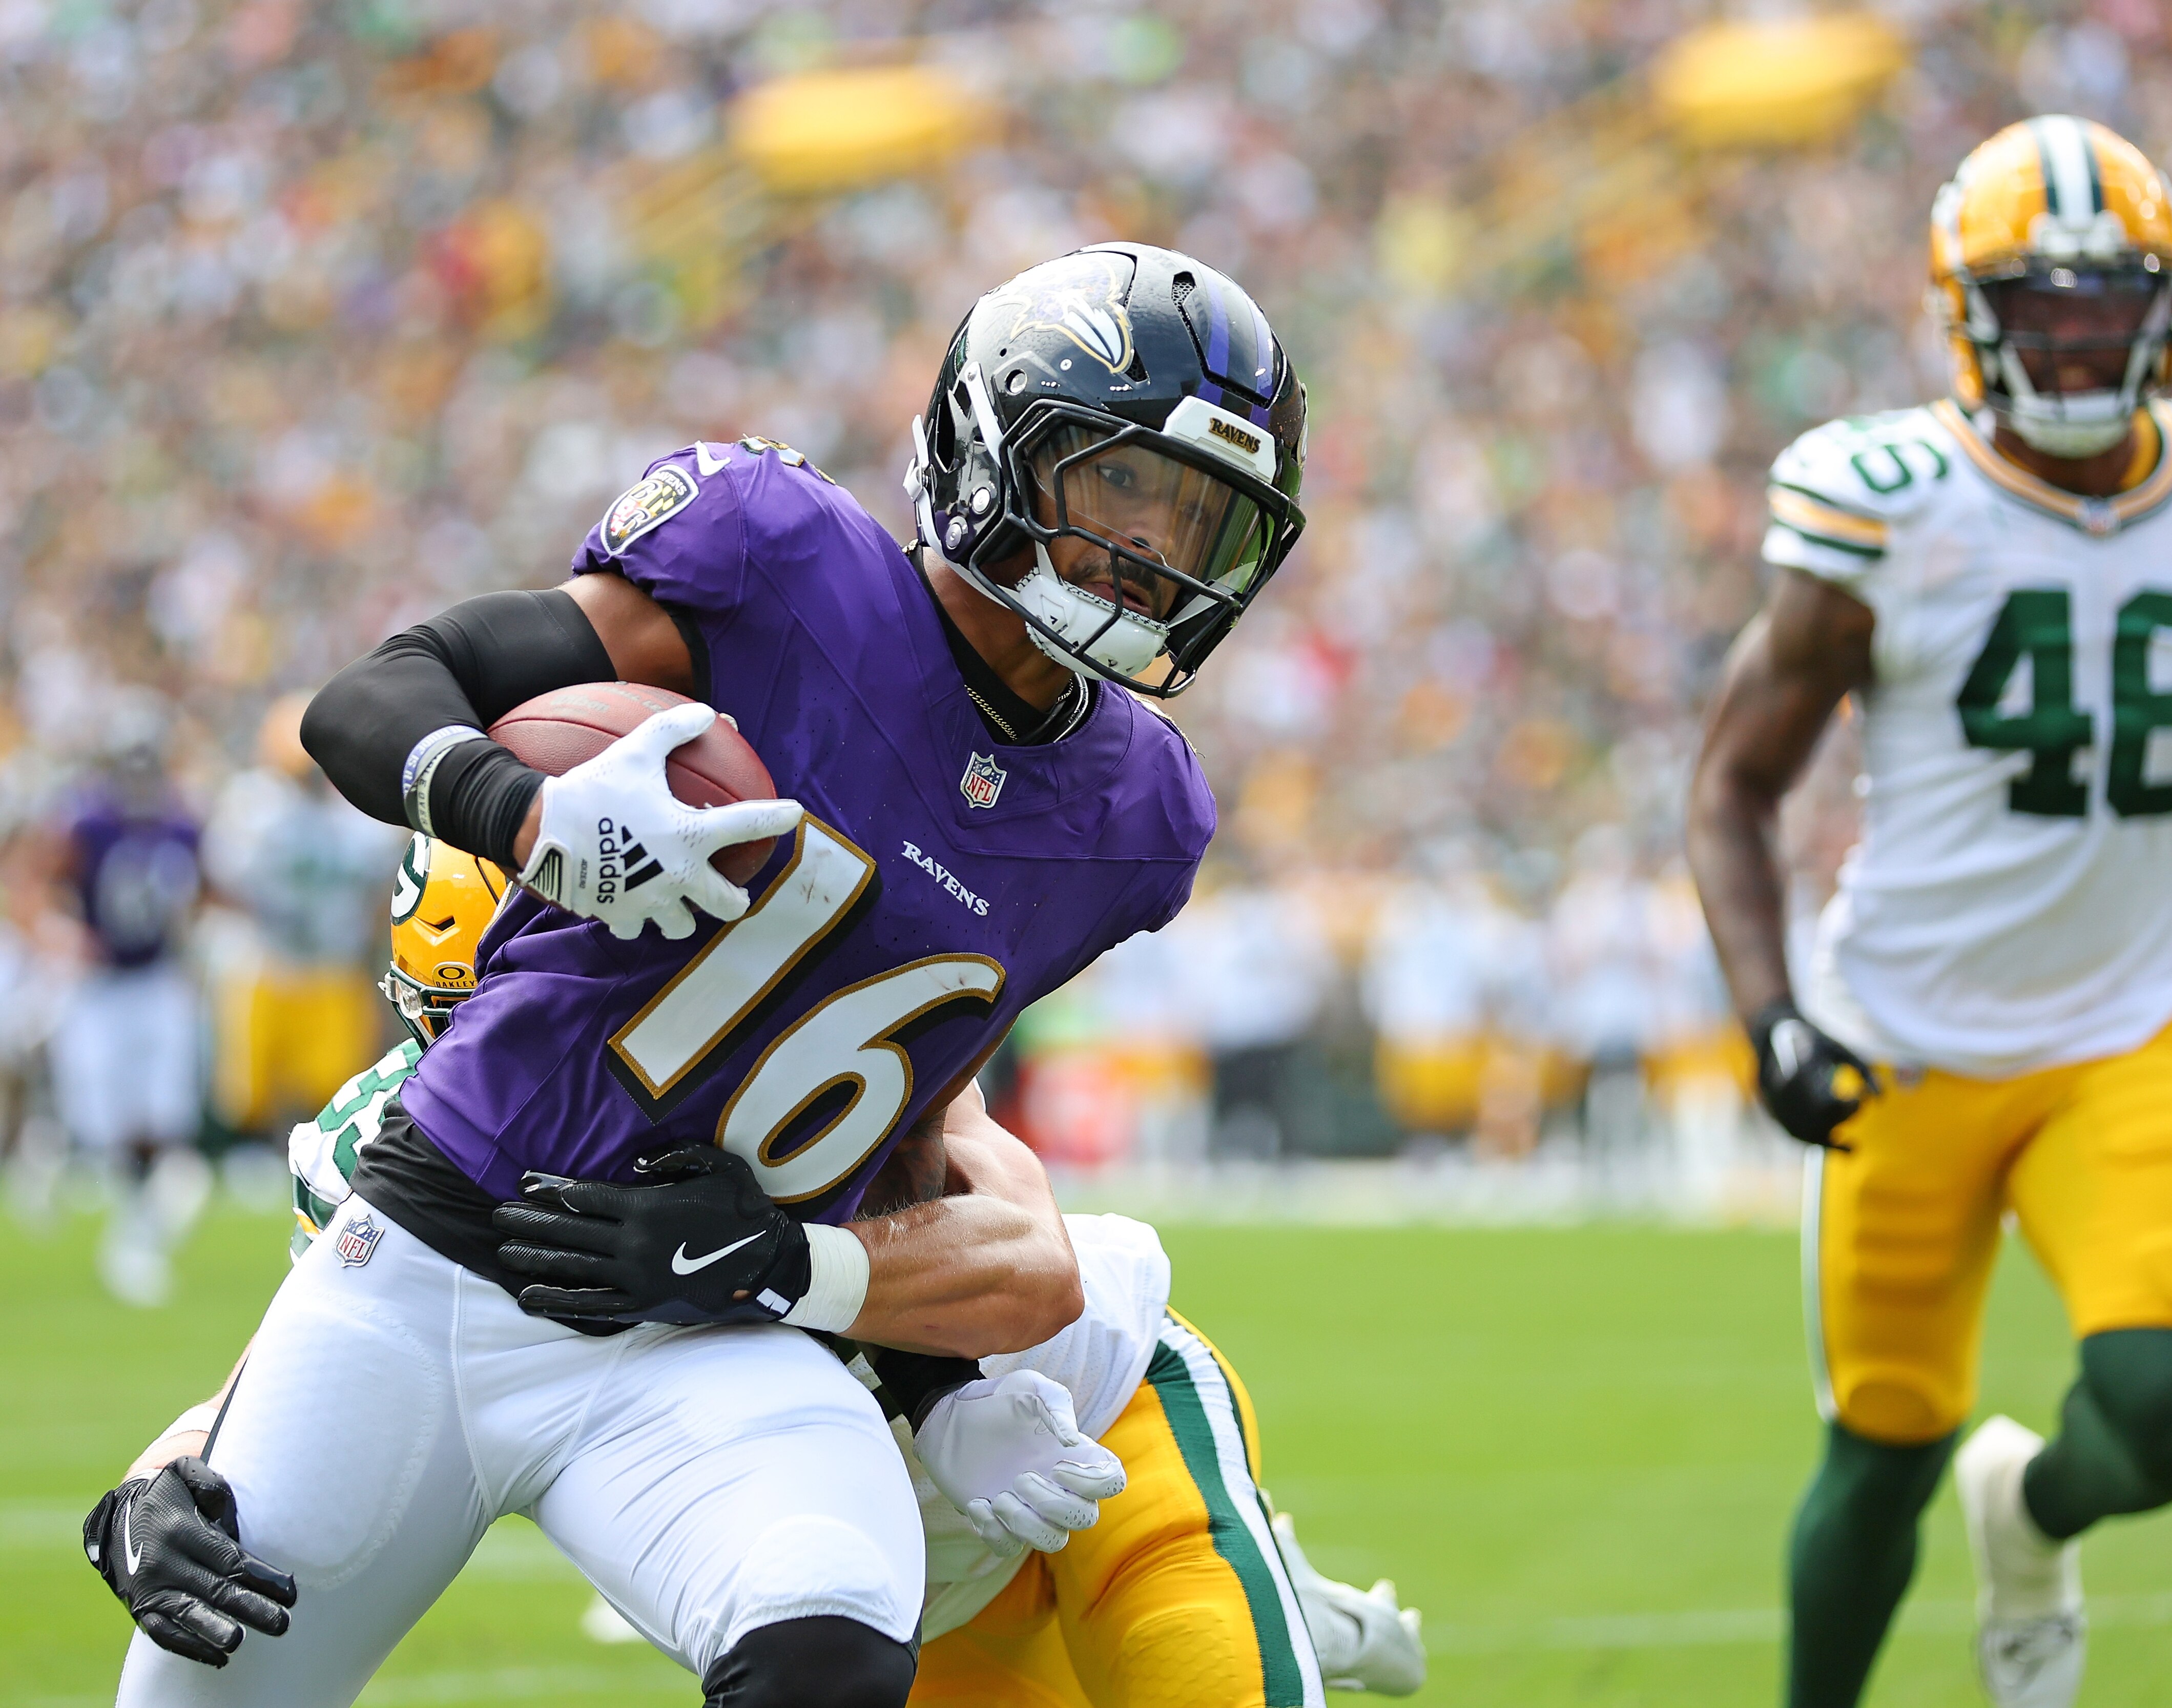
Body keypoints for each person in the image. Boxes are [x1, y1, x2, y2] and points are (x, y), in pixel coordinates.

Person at [93, 242, 1309, 1708]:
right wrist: (527, 814)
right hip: (433, 1264)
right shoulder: (779, 554)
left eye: (1202, 519)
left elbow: (905, 1107)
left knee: (839, 1637)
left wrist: (940, 1387)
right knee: (203, 1676)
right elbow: (381, 696)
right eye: (1125, 485)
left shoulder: (1138, 818)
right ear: (999, 442)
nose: (1157, 550)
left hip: (700, 1320)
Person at [1686, 118, 2172, 1708]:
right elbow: (1731, 788)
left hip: (2125, 1029)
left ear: (2166, 311)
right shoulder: (1880, 503)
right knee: (1880, 1452)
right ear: (1971, 318)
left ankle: (2028, 1517)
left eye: (2108, 306)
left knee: (2171, 1407)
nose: (2082, 341)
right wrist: (1767, 1013)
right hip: (1901, 1041)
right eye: (2045, 309)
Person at [101, 838, 1425, 1705]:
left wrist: (787, 1260)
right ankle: (1312, 1604)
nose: (515, 1074)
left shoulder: (789, 1047)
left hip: (1087, 1432)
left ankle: (1274, 1590)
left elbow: (1036, 1267)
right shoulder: (394, 1156)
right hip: (909, 1561)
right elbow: (311, 1370)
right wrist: (150, 1491)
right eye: (473, 1034)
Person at [44, 690, 209, 1307]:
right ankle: (119, 1214)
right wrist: (61, 933)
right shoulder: (88, 822)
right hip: (103, 984)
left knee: (164, 1120)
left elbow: (201, 892)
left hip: (159, 977)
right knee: (104, 1120)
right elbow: (41, 880)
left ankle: (137, 1237)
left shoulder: (182, 823)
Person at [201, 691, 404, 1149]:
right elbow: (220, 882)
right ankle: (263, 1152)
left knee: (330, 1083)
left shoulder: (357, 812)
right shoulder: (254, 806)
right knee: (252, 1095)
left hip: (331, 965)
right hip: (269, 960)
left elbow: (382, 882)